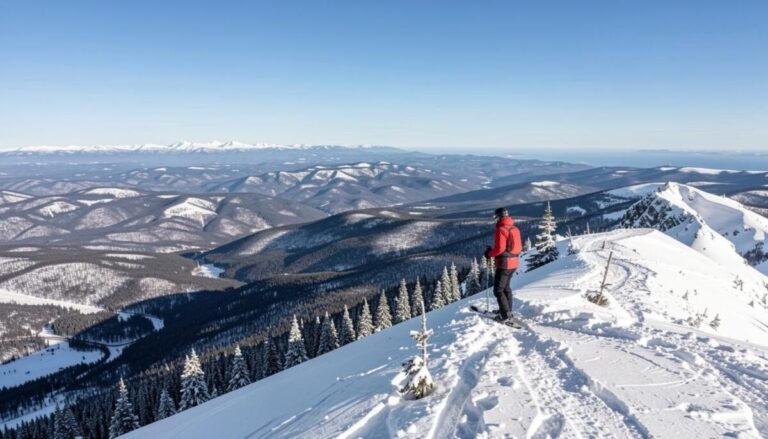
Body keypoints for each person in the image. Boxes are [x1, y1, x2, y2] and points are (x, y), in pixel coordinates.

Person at [484, 207, 523, 322]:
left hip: (504, 263)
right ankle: (506, 310)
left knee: (498, 290)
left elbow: (500, 248)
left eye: (495, 217)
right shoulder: (515, 228)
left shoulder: (501, 229)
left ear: (499, 217)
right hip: (514, 262)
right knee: (506, 287)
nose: (494, 219)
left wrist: (489, 253)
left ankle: (505, 316)